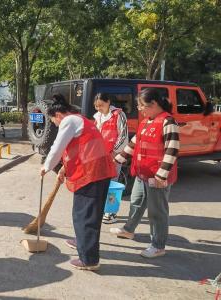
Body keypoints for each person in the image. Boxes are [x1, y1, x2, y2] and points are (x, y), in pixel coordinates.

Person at [40, 94, 116, 271]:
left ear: (58, 115)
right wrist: (63, 169)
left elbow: (57, 147)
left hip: (92, 173)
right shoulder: (80, 120)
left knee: (85, 216)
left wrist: (46, 166)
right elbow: (78, 149)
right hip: (96, 172)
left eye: (53, 122)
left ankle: (89, 260)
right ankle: (82, 241)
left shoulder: (68, 121)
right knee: (87, 213)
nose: (55, 125)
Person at [110, 88, 180, 258]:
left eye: (142, 106)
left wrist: (161, 175)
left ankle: (158, 245)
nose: (140, 109)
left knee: (157, 212)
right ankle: (128, 230)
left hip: (157, 177)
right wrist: (118, 159)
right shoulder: (146, 121)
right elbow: (133, 144)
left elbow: (172, 150)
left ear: (154, 104)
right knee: (136, 202)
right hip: (143, 174)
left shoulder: (168, 122)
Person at [93, 93, 128, 224]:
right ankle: (103, 209)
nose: (99, 108)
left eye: (101, 105)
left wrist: (114, 152)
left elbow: (123, 135)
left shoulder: (118, 115)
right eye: (96, 106)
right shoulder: (97, 117)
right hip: (100, 156)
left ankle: (111, 212)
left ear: (108, 102)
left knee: (112, 184)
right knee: (101, 184)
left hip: (113, 156)